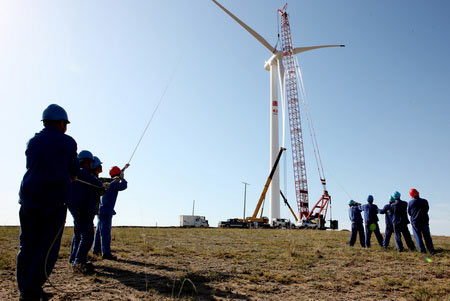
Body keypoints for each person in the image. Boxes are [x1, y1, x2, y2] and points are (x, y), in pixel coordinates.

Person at [17, 104, 79, 300]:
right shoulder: (68, 142)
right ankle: (31, 292)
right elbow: (74, 170)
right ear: (62, 123)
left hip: (28, 200)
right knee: (47, 249)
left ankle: (26, 290)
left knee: (27, 247)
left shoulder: (33, 142)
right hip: (53, 202)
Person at [68, 150, 104, 273]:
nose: (91, 164)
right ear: (86, 161)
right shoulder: (84, 173)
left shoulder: (75, 173)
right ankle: (79, 262)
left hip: (76, 209)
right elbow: (99, 185)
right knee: (88, 236)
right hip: (84, 210)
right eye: (90, 162)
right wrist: (105, 186)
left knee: (78, 235)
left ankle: (73, 258)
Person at [93, 165, 128, 260]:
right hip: (107, 211)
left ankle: (96, 251)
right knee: (105, 233)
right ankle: (106, 254)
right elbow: (124, 186)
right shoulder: (114, 184)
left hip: (101, 210)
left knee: (99, 232)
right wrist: (123, 179)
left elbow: (116, 175)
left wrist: (124, 168)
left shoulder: (108, 182)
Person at [408, 189, 435, 254]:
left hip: (415, 222)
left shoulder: (410, 202)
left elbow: (409, 212)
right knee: (427, 236)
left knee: (418, 236)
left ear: (411, 195)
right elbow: (427, 209)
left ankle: (422, 251)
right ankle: (431, 250)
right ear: (418, 193)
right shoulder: (425, 201)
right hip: (424, 221)